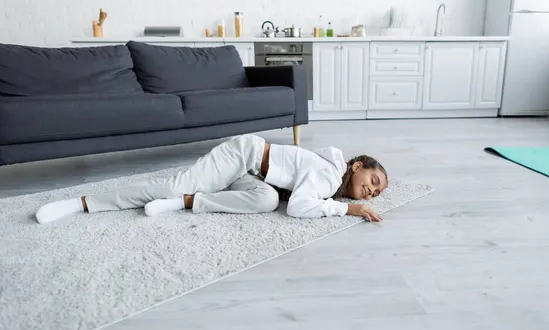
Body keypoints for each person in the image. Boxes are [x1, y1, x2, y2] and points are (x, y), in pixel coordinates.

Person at [35, 134, 388, 224]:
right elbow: (297, 208)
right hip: (243, 155)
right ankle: (80, 204)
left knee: (266, 201)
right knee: (174, 182)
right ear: (356, 166)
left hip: (255, 177)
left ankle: (184, 204)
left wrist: (341, 205)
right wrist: (347, 211)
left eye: (376, 192)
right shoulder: (329, 174)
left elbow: (285, 202)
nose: (371, 191)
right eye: (373, 179)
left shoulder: (331, 182)